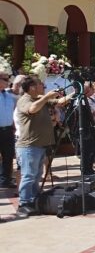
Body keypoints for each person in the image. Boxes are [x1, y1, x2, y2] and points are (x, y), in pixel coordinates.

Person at [15, 77, 63, 217]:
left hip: (40, 144)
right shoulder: (24, 100)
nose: (44, 86)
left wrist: (76, 92)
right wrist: (46, 97)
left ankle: (34, 200)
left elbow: (60, 102)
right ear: (32, 87)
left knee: (36, 175)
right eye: (40, 84)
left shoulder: (40, 98)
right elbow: (32, 109)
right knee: (28, 175)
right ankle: (23, 204)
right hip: (28, 146)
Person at [0, 71, 17, 188]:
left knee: (8, 155)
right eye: (5, 79)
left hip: (8, 130)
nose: (8, 81)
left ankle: (6, 180)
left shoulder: (9, 95)